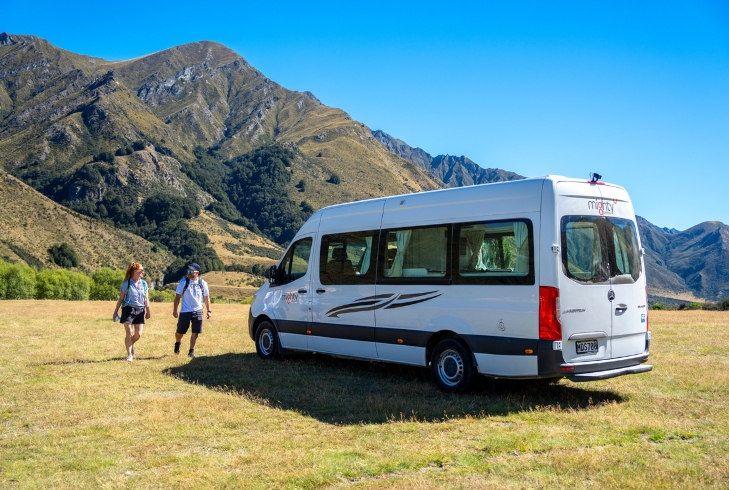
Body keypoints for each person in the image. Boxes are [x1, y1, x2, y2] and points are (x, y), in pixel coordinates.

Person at [112, 262, 151, 362]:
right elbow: (121, 298)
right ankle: (129, 355)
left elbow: (146, 298)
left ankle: (129, 343)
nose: (143, 272)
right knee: (129, 332)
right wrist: (115, 311)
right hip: (128, 309)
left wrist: (148, 310)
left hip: (140, 310)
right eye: (141, 270)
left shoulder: (144, 284)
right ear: (135, 271)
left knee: (138, 334)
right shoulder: (127, 284)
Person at [172, 263, 211, 358]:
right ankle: (177, 342)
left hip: (198, 311)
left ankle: (191, 351)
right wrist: (175, 310)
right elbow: (177, 297)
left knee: (195, 332)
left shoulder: (202, 283)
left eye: (191, 271)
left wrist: (209, 310)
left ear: (197, 272)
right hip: (185, 311)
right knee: (180, 332)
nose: (188, 273)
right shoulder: (183, 282)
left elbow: (206, 298)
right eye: (188, 271)